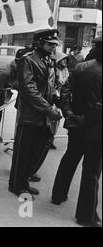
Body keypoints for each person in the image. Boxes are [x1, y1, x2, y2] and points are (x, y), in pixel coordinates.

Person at [51, 37, 102, 227]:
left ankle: (58, 194)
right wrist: (82, 118)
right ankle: (86, 215)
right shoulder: (85, 67)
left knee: (70, 158)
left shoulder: (81, 67)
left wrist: (69, 113)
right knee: (91, 171)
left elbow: (66, 90)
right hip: (95, 129)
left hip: (76, 125)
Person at [8, 30, 62, 197]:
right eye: (49, 44)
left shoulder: (49, 60)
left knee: (34, 151)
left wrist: (56, 99)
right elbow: (29, 89)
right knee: (23, 152)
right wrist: (47, 108)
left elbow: (50, 85)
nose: (53, 47)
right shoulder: (28, 60)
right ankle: (17, 185)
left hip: (43, 114)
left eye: (55, 44)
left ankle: (24, 181)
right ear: (39, 43)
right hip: (30, 114)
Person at [49, 50, 70, 150]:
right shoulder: (53, 69)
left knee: (56, 120)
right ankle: (47, 138)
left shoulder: (65, 70)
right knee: (51, 118)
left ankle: (51, 138)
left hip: (61, 95)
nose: (65, 62)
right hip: (53, 96)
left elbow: (66, 81)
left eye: (66, 60)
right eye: (63, 60)